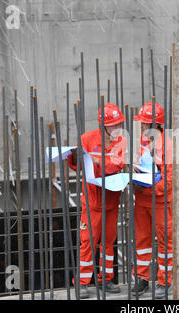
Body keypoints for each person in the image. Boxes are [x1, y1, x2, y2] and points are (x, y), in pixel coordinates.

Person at [67, 102, 127, 298]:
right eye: (114, 124)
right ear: (104, 125)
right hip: (93, 201)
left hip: (111, 200)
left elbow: (116, 165)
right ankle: (82, 282)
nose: (117, 128)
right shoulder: (87, 139)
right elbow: (77, 166)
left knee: (108, 241)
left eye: (119, 124)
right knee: (88, 241)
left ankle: (106, 279)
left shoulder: (121, 140)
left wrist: (98, 162)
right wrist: (75, 157)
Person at [131, 101, 173, 299]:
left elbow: (169, 180)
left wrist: (147, 186)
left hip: (160, 202)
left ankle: (164, 281)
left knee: (165, 243)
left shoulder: (167, 145)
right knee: (142, 241)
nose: (140, 125)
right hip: (141, 201)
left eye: (143, 122)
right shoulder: (141, 141)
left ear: (152, 125)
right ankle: (142, 278)